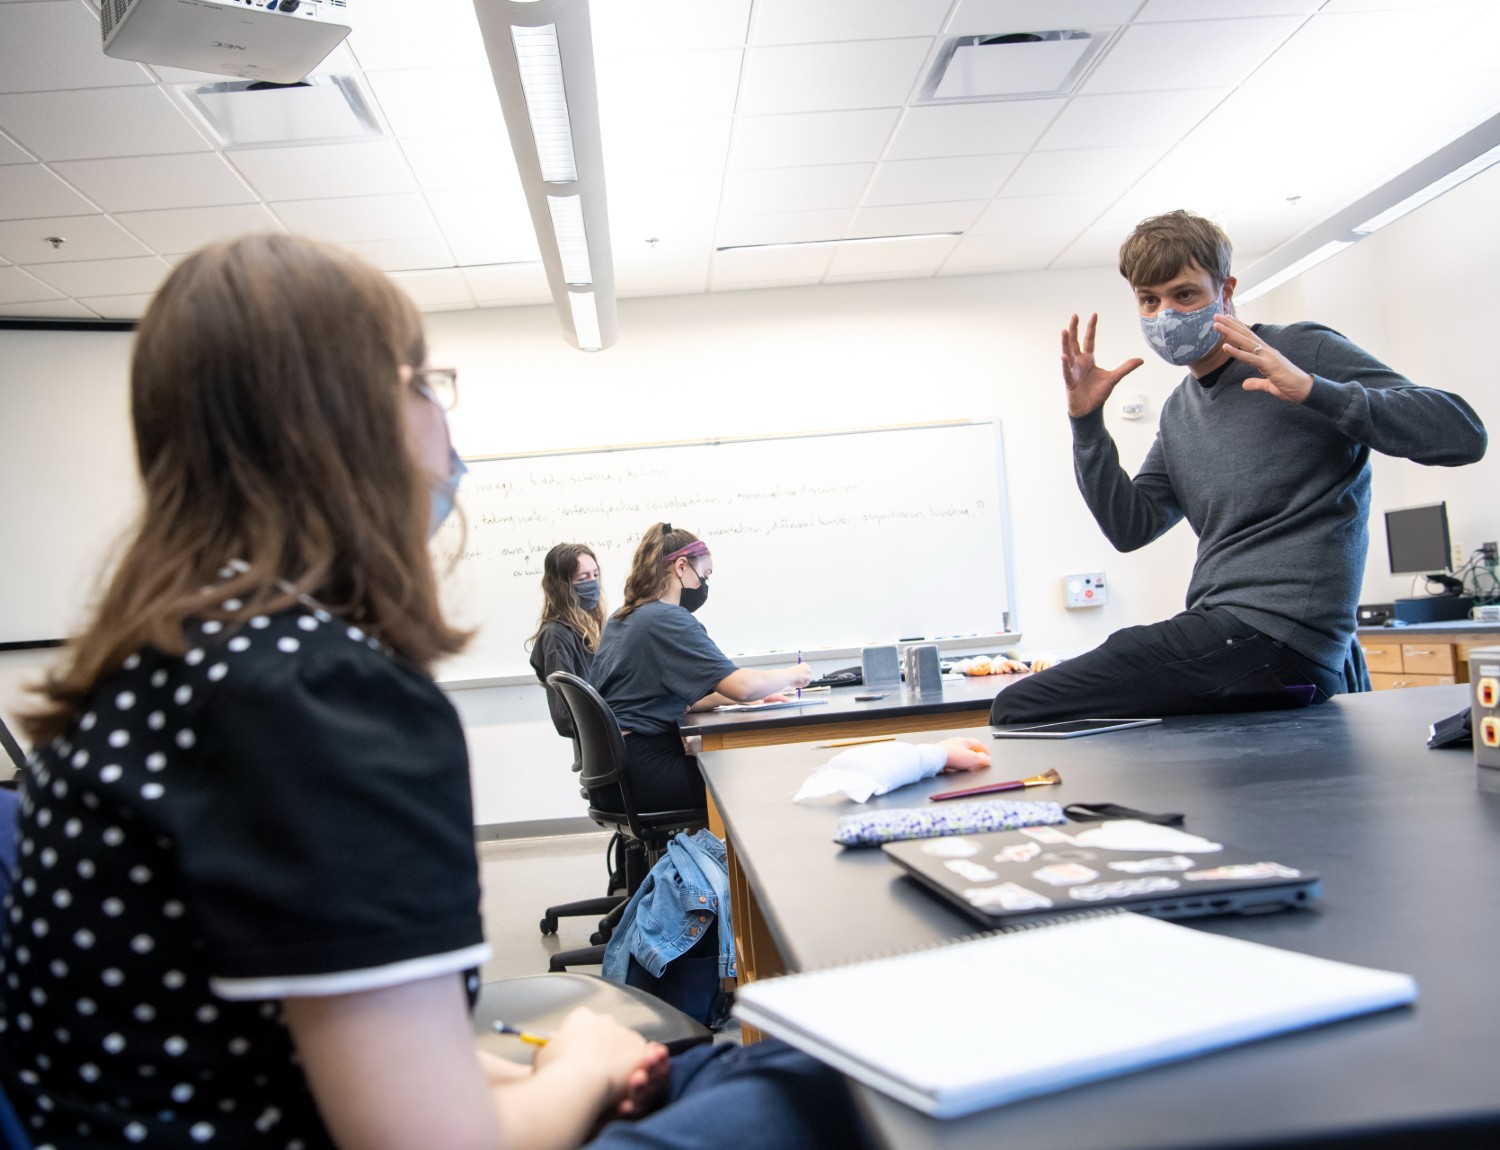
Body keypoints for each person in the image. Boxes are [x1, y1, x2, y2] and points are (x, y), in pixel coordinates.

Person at [0, 234, 870, 1150]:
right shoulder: (321, 698)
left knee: (754, 1070)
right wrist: (581, 1061)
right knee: (833, 1081)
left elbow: (292, 1046)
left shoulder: (158, 671)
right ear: (343, 421)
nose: (440, 417)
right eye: (420, 381)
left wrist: (560, 1070)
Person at [992, 209, 1487, 725]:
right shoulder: (1180, 410)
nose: (1166, 315)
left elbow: (1463, 435)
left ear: (1225, 291)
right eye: (1149, 300)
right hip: (1225, 632)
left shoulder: (1300, 350)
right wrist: (1086, 422)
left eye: (1185, 294)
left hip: (1278, 639)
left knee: (1019, 705)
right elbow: (1130, 527)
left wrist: (1314, 390)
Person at [587, 524, 812, 815]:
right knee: (752, 778)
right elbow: (742, 686)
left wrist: (753, 698)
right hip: (643, 775)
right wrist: (794, 675)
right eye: (703, 575)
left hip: (612, 779)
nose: (703, 585)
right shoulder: (666, 620)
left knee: (729, 767)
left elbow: (683, 698)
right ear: (681, 567)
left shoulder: (624, 617)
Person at [528, 543, 606, 739]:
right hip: (601, 744)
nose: (593, 583)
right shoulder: (557, 635)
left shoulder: (588, 630)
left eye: (595, 575)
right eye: (583, 578)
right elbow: (565, 716)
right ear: (563, 586)